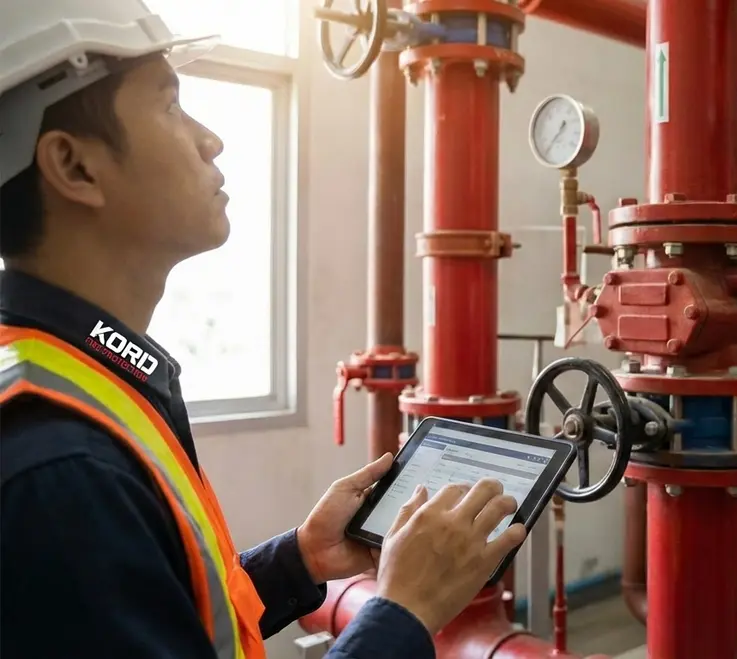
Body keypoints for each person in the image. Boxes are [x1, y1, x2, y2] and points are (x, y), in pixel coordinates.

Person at [0, 2, 528, 657]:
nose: (208, 139)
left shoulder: (76, 375)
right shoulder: (59, 467)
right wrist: (402, 610)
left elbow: (166, 616)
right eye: (168, 106)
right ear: (74, 166)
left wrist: (299, 559)